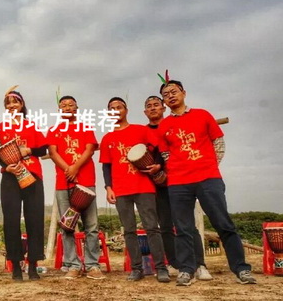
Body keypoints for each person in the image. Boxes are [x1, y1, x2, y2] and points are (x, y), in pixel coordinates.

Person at [157, 74, 256, 286]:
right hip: (178, 182)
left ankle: (241, 269)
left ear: (184, 93)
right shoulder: (164, 126)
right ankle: (186, 269)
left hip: (208, 178)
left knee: (223, 223)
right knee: (182, 228)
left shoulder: (203, 115)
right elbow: (165, 154)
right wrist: (175, 170)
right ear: (164, 102)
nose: (170, 96)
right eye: (166, 95)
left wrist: (210, 165)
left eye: (174, 92)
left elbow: (218, 142)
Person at [100, 97, 170, 283]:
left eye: (119, 107)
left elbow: (159, 150)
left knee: (152, 228)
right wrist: (108, 188)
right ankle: (136, 268)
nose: (116, 110)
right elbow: (106, 166)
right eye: (112, 108)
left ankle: (161, 268)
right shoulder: (107, 138)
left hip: (143, 186)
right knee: (128, 230)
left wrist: (158, 166)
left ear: (126, 110)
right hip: (121, 188)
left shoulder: (141, 130)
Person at [144, 95, 212, 281]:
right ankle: (175, 263)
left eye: (156, 104)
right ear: (145, 112)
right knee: (165, 226)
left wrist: (164, 168)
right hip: (158, 185)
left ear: (164, 107)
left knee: (187, 225)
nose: (153, 108)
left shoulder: (175, 124)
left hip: (181, 181)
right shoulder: (143, 132)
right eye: (149, 106)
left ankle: (199, 264)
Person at [47, 95, 104, 280]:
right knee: (67, 226)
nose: (67, 107)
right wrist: (68, 169)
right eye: (63, 105)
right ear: (59, 110)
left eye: (71, 105)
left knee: (91, 225)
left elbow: (89, 149)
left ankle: (92, 264)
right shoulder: (54, 130)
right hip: (63, 183)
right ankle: (72, 264)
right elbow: (53, 153)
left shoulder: (85, 126)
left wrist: (76, 167)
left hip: (86, 181)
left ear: (77, 108)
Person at [0, 87, 47, 281]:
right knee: (11, 220)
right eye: (8, 103)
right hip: (10, 176)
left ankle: (33, 264)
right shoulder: (0, 127)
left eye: (15, 102)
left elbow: (43, 149)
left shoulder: (31, 126)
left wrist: (28, 151)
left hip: (32, 175)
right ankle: (16, 266)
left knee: (34, 219)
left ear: (22, 105)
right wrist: (6, 167)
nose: (12, 106)